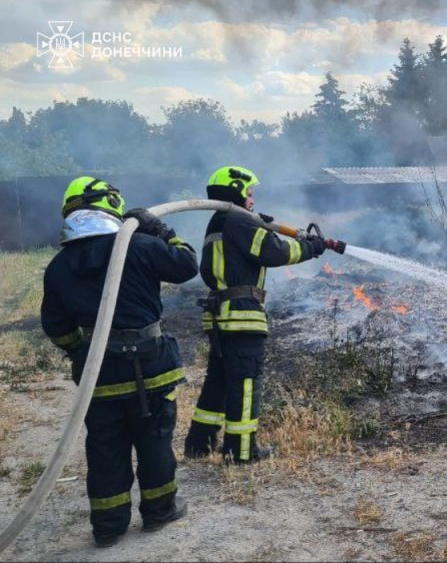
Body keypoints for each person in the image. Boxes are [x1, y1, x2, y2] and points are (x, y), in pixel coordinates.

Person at [40, 176, 196, 547]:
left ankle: (108, 526)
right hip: (151, 366)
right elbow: (187, 265)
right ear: (111, 204)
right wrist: (161, 231)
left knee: (105, 447)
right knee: (155, 441)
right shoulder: (141, 246)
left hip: (100, 375)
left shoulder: (59, 266)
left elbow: (56, 326)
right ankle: (160, 511)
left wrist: (82, 351)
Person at [183, 166, 326, 463]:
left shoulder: (219, 220)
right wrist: (310, 247)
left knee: (218, 380)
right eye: (249, 192)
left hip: (221, 315)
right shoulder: (239, 220)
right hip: (242, 316)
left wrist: (262, 226)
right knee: (246, 383)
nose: (252, 198)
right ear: (235, 190)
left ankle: (199, 443)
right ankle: (242, 451)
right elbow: (274, 252)